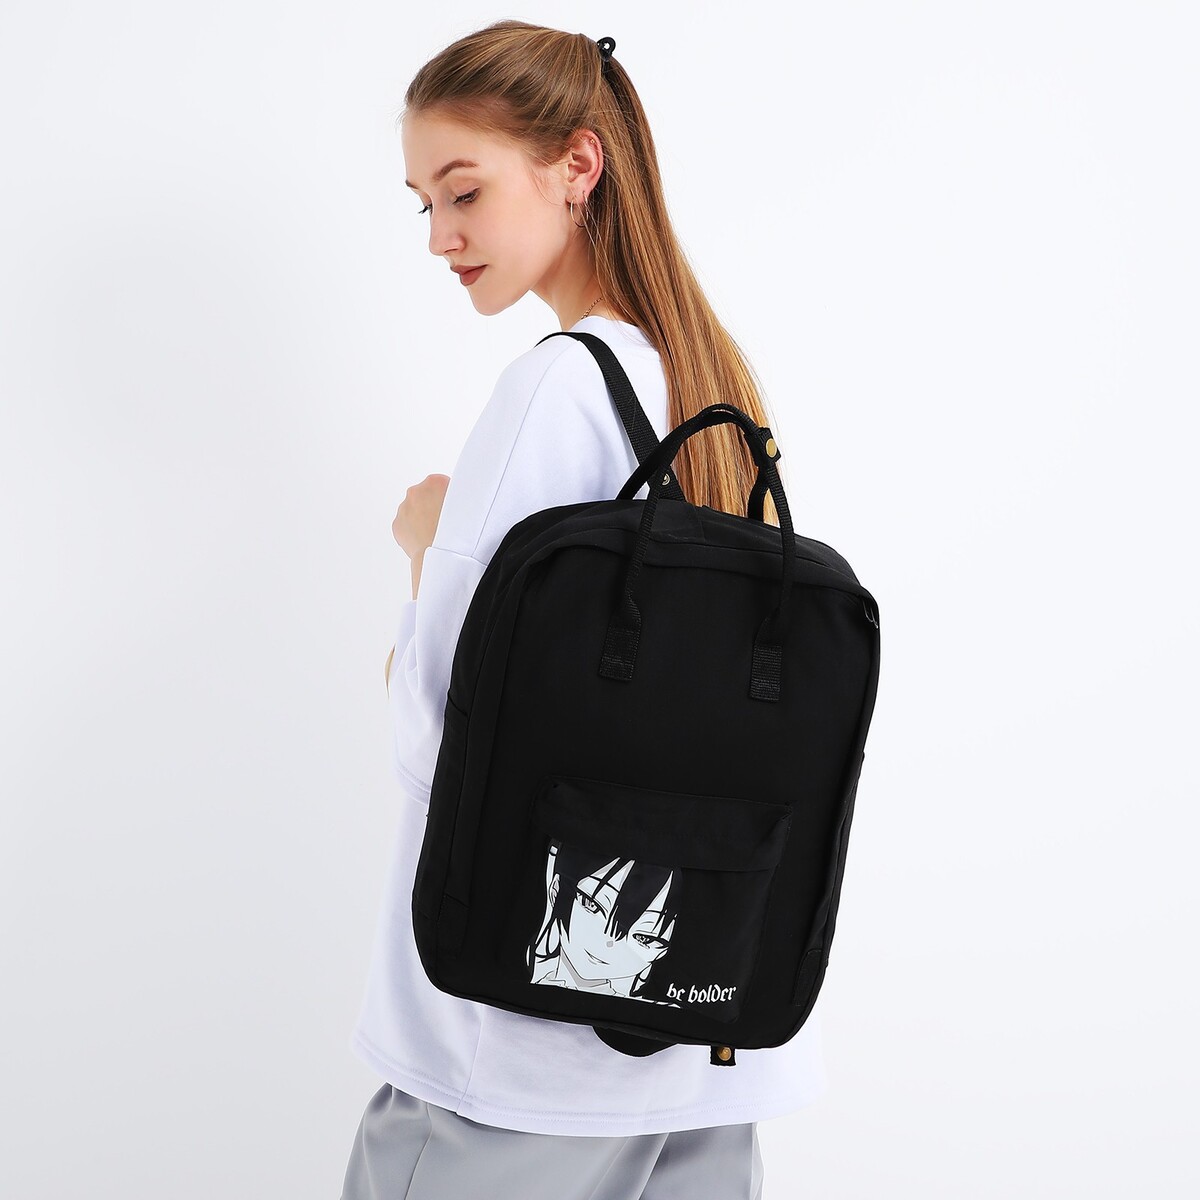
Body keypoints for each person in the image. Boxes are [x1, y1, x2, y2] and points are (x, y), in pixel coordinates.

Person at [341, 20, 827, 1199]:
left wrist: (427, 552)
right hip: (709, 1038)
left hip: (519, 1052)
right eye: (423, 204)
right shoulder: (712, 383)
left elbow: (441, 736)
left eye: (465, 191)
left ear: (577, 164)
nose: (440, 235)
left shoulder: (556, 388)